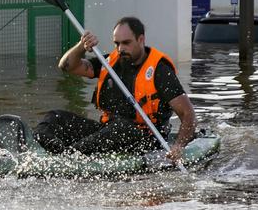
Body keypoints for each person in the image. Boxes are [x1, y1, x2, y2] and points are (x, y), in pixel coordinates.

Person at [34, 16, 197, 162]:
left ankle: (70, 156)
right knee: (55, 117)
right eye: (117, 43)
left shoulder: (159, 71)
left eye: (126, 43)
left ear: (141, 39)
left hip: (145, 138)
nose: (120, 49)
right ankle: (57, 150)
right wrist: (81, 47)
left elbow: (188, 115)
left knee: (122, 128)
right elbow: (67, 66)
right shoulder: (109, 63)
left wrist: (178, 146)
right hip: (107, 131)